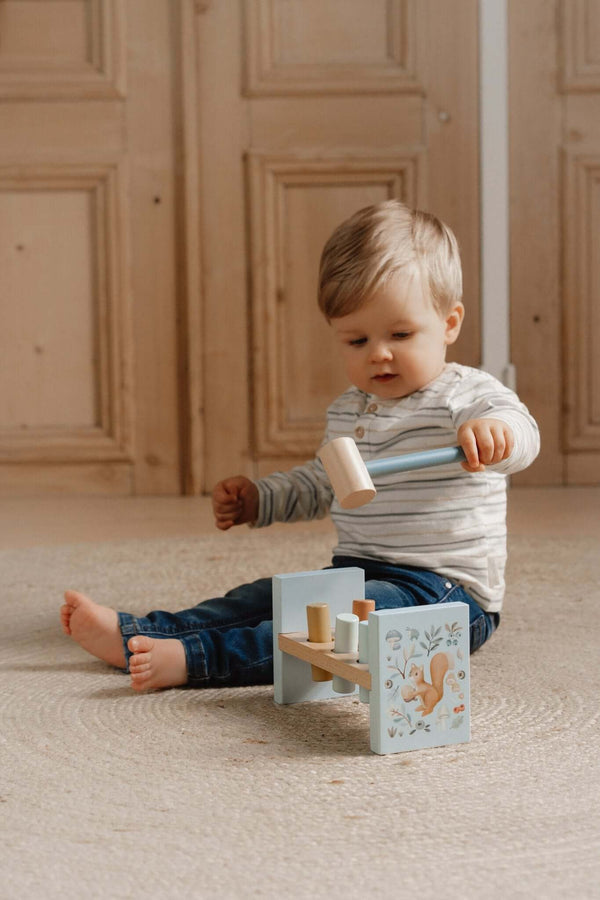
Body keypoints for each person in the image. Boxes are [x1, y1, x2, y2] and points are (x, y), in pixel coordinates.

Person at [61, 200, 540, 692]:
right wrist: (260, 499)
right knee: (264, 598)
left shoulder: (466, 396)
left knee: (321, 631)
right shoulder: (350, 411)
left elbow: (522, 432)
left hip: (446, 595)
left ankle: (193, 660)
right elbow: (320, 483)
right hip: (360, 572)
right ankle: (138, 634)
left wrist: (497, 433)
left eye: (400, 333)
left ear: (450, 323)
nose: (379, 353)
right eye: (356, 341)